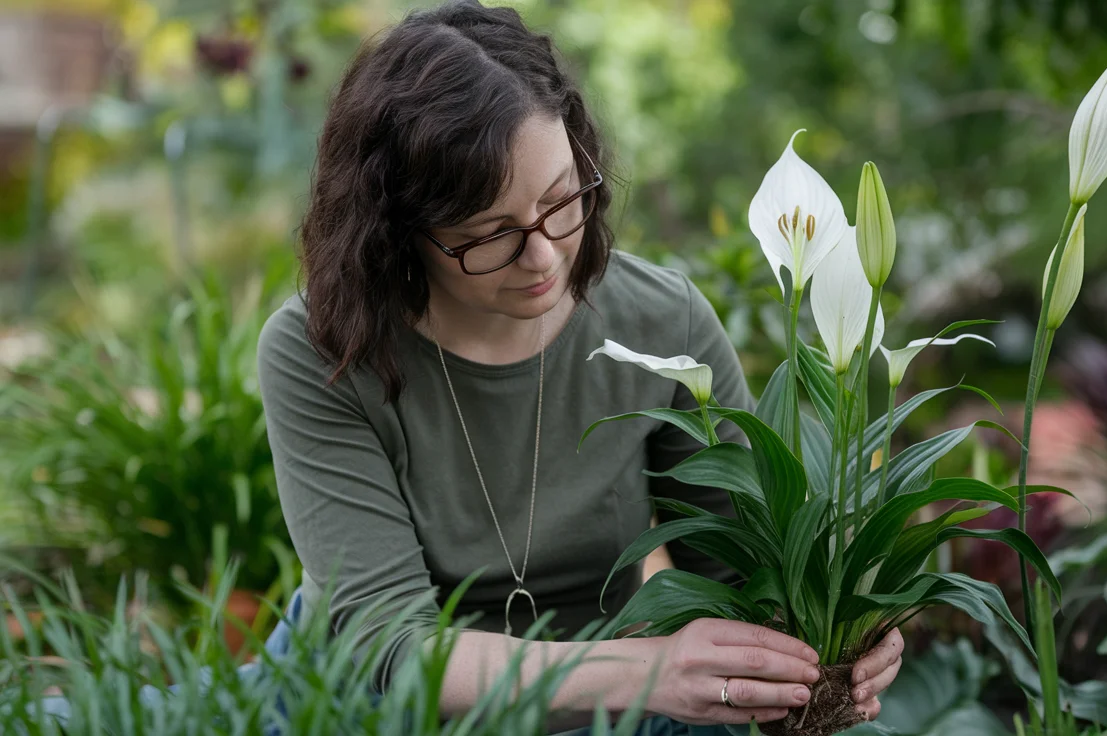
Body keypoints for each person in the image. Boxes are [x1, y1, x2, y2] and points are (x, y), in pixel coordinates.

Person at [255, 1, 904, 733]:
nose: (544, 257)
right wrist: (649, 670)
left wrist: (844, 632)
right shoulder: (321, 350)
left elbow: (747, 573)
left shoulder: (663, 321)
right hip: (369, 709)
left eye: (562, 200)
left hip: (615, 706)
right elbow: (391, 651)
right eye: (488, 235)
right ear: (398, 232)